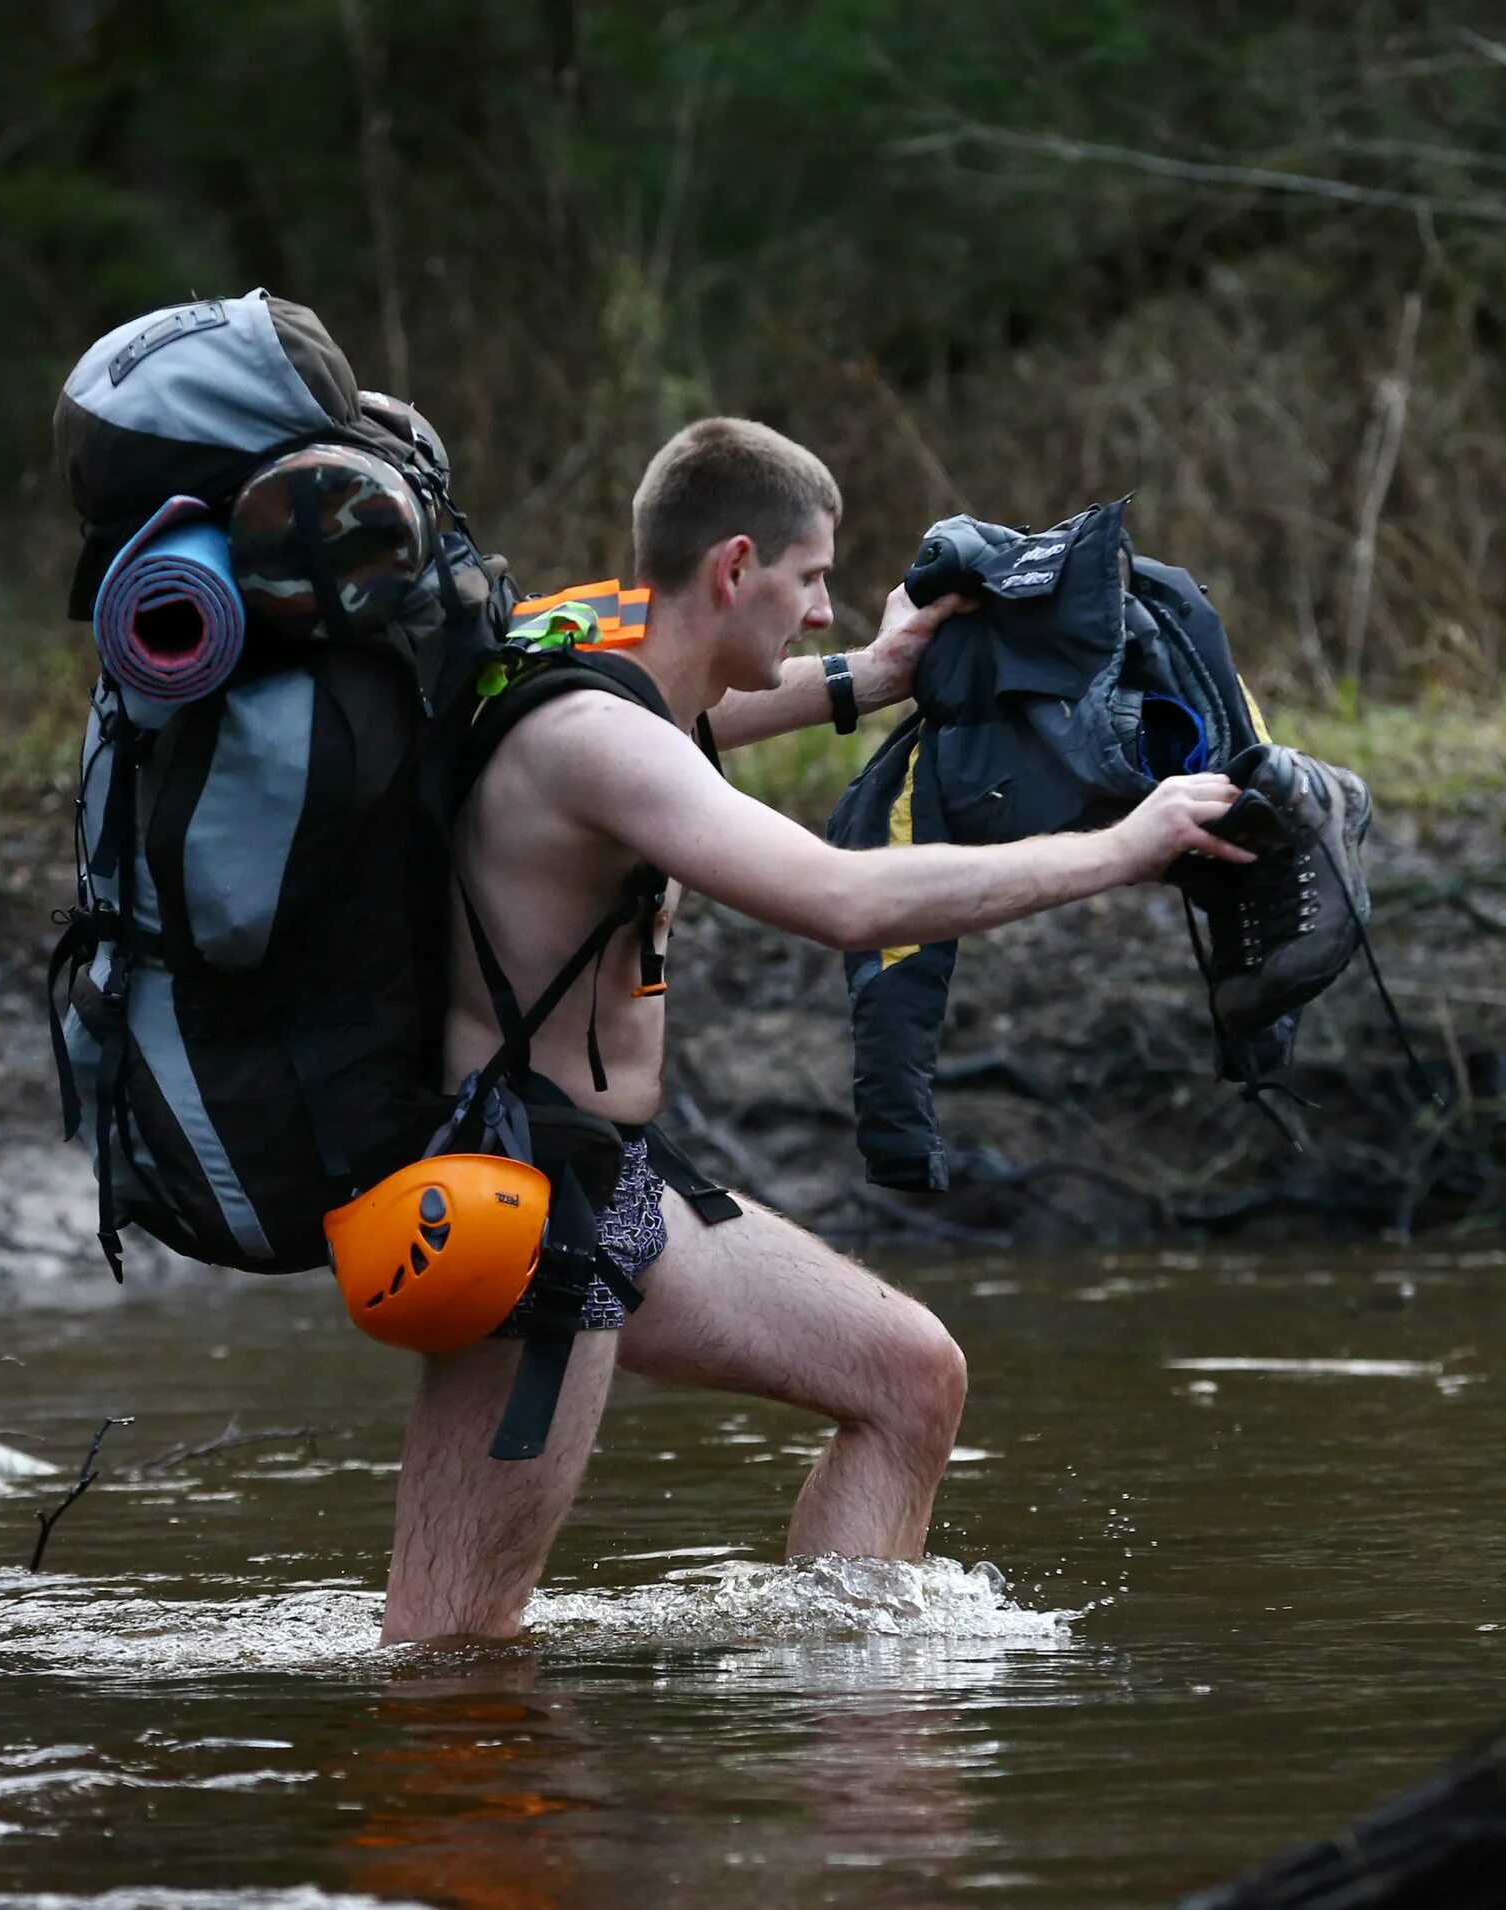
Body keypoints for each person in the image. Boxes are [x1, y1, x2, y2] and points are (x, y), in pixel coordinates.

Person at [380, 418, 1254, 1644]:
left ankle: (851, 1771)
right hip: (522, 1212)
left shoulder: (578, 647)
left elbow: (703, 714)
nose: (823, 612)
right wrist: (1121, 850)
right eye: (810, 581)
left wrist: (879, 674)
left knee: (907, 1378)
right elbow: (841, 897)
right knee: (451, 1647)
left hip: (611, 1181)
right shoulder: (599, 742)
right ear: (735, 567)